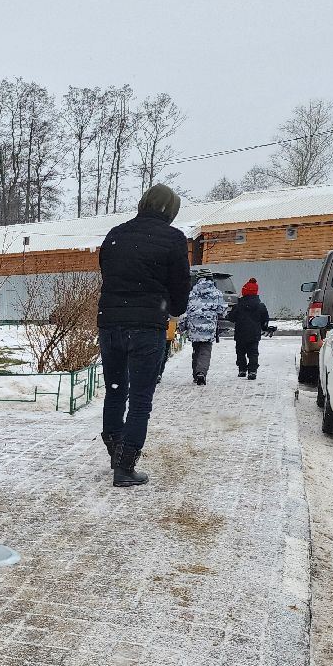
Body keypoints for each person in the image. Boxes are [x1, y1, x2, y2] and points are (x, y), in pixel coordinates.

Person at [96, 183, 192, 487]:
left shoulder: (116, 234)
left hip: (110, 324)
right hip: (146, 329)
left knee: (115, 390)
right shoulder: (174, 239)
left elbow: (107, 274)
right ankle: (125, 467)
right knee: (140, 399)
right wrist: (168, 306)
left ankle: (115, 452)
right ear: (170, 211)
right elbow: (180, 290)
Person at [179, 272, 227, 385]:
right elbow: (223, 311)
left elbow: (184, 311)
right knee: (205, 351)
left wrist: (182, 326)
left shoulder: (192, 293)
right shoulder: (216, 293)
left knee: (196, 350)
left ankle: (195, 374)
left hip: (194, 328)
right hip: (209, 328)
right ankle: (201, 372)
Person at [230, 278, 272, 379]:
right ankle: (252, 371)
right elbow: (265, 319)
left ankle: (242, 369)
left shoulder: (238, 305)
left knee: (240, 352)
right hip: (254, 334)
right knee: (253, 353)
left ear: (244, 292)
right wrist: (264, 328)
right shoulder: (260, 306)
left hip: (240, 334)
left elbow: (231, 318)